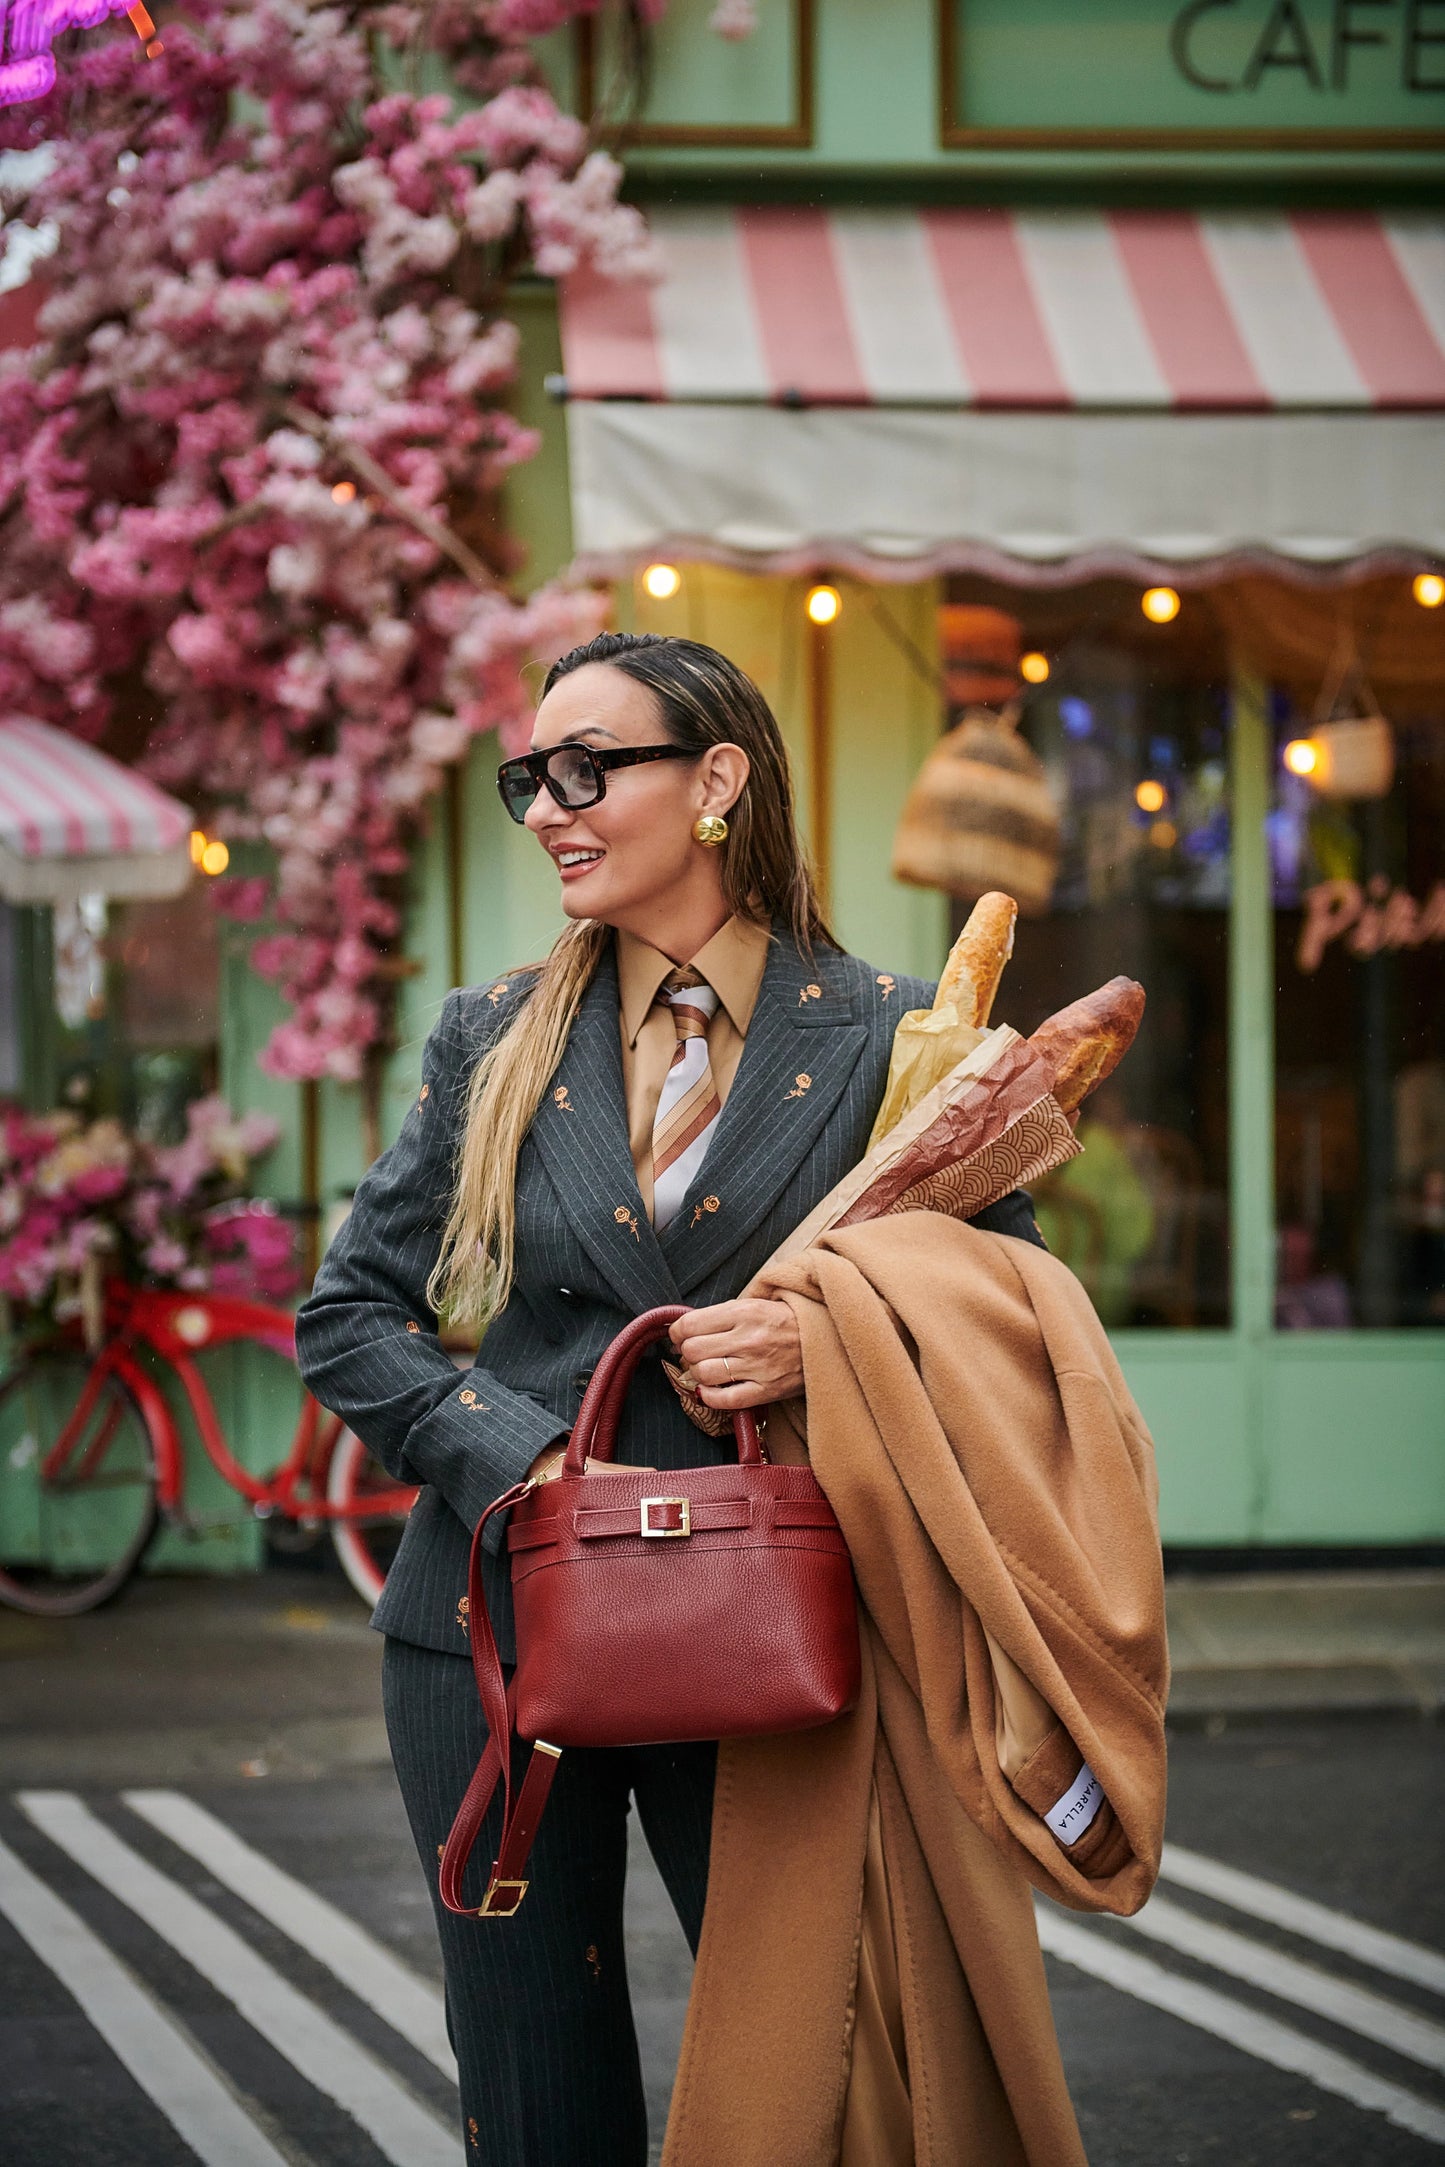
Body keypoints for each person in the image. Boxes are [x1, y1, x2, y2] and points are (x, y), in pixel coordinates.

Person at [295, 630, 1042, 2165]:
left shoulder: (899, 1042)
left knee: (791, 2072)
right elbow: (349, 1318)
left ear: (716, 781)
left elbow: (1012, 1323)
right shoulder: (491, 1037)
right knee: (532, 2078)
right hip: (491, 1632)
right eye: (530, 780)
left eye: (590, 769)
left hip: (768, 1626)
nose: (551, 809)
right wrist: (515, 1458)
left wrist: (825, 1344)